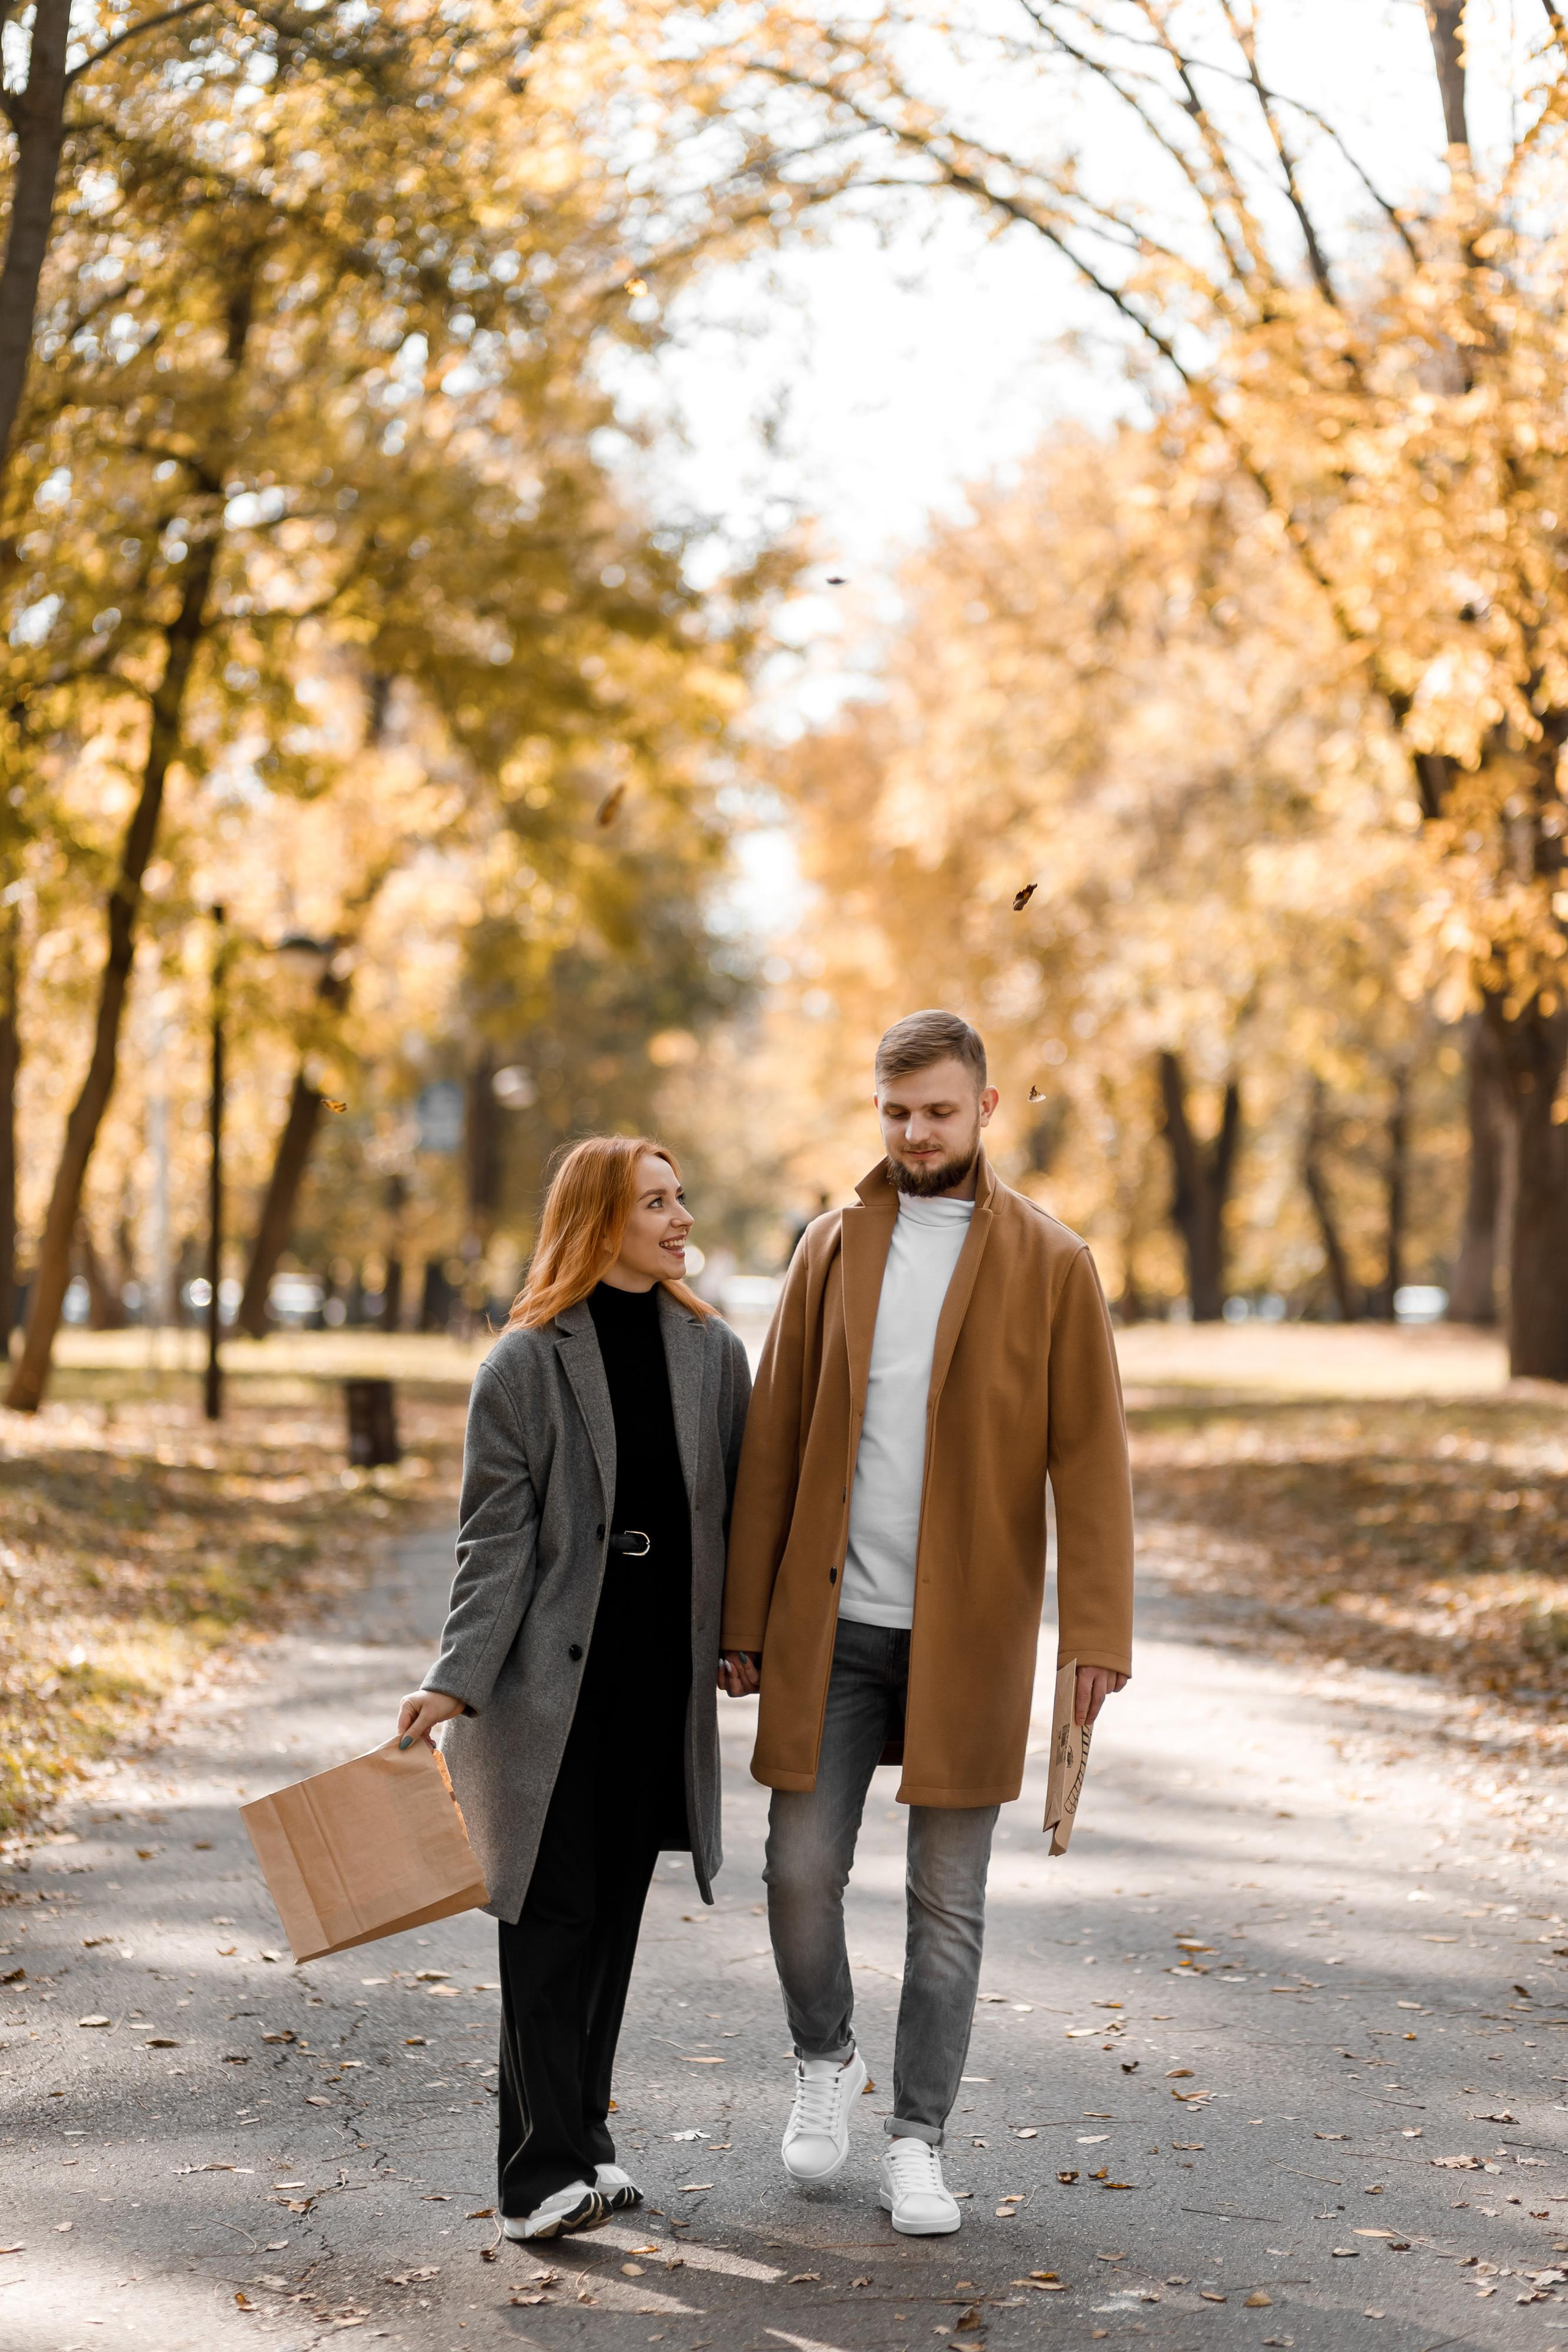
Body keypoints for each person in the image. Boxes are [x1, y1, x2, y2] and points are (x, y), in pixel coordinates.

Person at [718, 1009, 1133, 2236]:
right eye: (895, 1113)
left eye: (937, 1112)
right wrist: (742, 1618)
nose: (913, 1133)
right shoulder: (830, 1249)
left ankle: (917, 2140)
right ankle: (821, 2052)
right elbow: (774, 1445)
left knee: (946, 1910)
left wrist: (1094, 1637)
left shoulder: (1053, 1266)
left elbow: (1090, 1462)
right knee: (797, 1871)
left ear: (985, 1112)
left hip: (971, 1639)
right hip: (830, 1631)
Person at [398, 1137, 752, 2242]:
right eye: (656, 1201)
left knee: (609, 1926)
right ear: (600, 1221)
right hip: (546, 1696)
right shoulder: (524, 1365)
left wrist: (746, 1642)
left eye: (681, 1196)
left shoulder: (712, 1353)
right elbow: (491, 1546)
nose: (680, 1216)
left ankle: (585, 2147)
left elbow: (737, 1517)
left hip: (660, 1682)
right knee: (546, 1924)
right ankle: (533, 2175)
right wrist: (453, 1683)